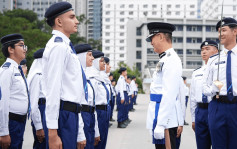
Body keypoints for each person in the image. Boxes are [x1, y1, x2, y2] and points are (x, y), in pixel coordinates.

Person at [43, 2, 86, 148]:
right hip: (63, 116)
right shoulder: (58, 47)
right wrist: (53, 133)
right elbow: (53, 90)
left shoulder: (66, 46)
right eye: (72, 17)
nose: (77, 21)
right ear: (59, 21)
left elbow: (75, 90)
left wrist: (79, 131)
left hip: (70, 114)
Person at [146, 22, 182, 149]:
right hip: (160, 116)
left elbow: (169, 94)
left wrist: (161, 124)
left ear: (161, 36)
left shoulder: (171, 60)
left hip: (166, 121)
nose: (151, 43)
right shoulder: (164, 59)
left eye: (152, 38)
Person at [203, 17, 237, 149]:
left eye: (224, 30)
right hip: (218, 105)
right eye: (218, 31)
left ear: (235, 31)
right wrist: (214, 88)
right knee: (218, 146)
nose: (220, 34)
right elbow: (204, 88)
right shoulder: (213, 60)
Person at [0, 33, 30, 149]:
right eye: (21, 45)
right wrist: (3, 132)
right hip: (11, 123)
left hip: (19, 123)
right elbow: (2, 102)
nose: (25, 49)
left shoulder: (16, 69)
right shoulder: (7, 70)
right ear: (10, 49)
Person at [190, 40, 218, 149]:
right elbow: (192, 97)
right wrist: (193, 118)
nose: (204, 52)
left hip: (214, 108)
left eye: (207, 49)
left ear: (216, 51)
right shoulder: (196, 73)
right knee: (201, 145)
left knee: (217, 143)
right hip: (200, 111)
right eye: (202, 50)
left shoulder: (219, 70)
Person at [75, 44, 100, 149]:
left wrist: (96, 131)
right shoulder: (76, 77)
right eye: (89, 55)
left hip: (90, 115)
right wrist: (80, 132)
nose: (93, 58)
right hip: (82, 116)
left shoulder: (86, 76)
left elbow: (92, 105)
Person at [86, 50, 110, 149]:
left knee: (102, 139)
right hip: (97, 111)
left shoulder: (99, 76)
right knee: (96, 141)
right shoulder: (91, 76)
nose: (104, 64)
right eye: (101, 61)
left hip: (103, 110)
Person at [27, 48, 48, 149]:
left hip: (47, 111)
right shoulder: (37, 76)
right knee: (41, 145)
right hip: (41, 110)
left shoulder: (45, 76)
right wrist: (39, 127)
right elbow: (34, 105)